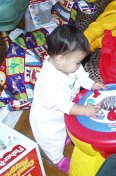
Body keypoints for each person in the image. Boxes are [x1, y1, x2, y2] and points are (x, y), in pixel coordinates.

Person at [29, 24, 106, 174]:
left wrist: (91, 84)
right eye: (77, 62)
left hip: (61, 115)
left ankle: (65, 135)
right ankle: (58, 160)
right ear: (60, 60)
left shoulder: (68, 65)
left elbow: (81, 75)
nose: (79, 66)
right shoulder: (50, 82)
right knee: (53, 144)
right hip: (47, 124)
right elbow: (67, 106)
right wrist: (85, 110)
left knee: (65, 127)